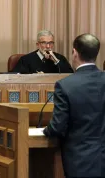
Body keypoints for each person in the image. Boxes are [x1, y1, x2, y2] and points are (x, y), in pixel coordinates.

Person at [43, 34, 105, 178]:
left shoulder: (65, 85)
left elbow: (58, 127)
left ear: (74, 52)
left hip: (80, 160)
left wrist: (46, 130)